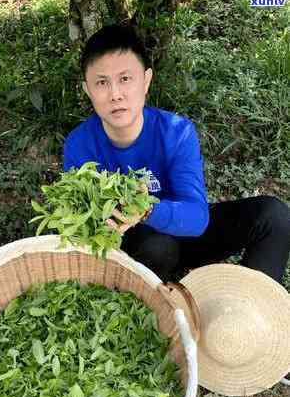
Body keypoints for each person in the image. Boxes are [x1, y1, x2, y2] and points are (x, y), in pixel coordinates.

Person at [63, 24, 290, 284]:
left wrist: (146, 209)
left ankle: (250, 311)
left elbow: (196, 218)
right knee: (157, 247)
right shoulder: (79, 145)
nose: (115, 94)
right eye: (102, 83)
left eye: (125, 79)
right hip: (133, 250)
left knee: (273, 217)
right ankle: (147, 303)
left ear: (146, 80)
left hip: (182, 232)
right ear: (87, 90)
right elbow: (82, 231)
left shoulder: (176, 132)